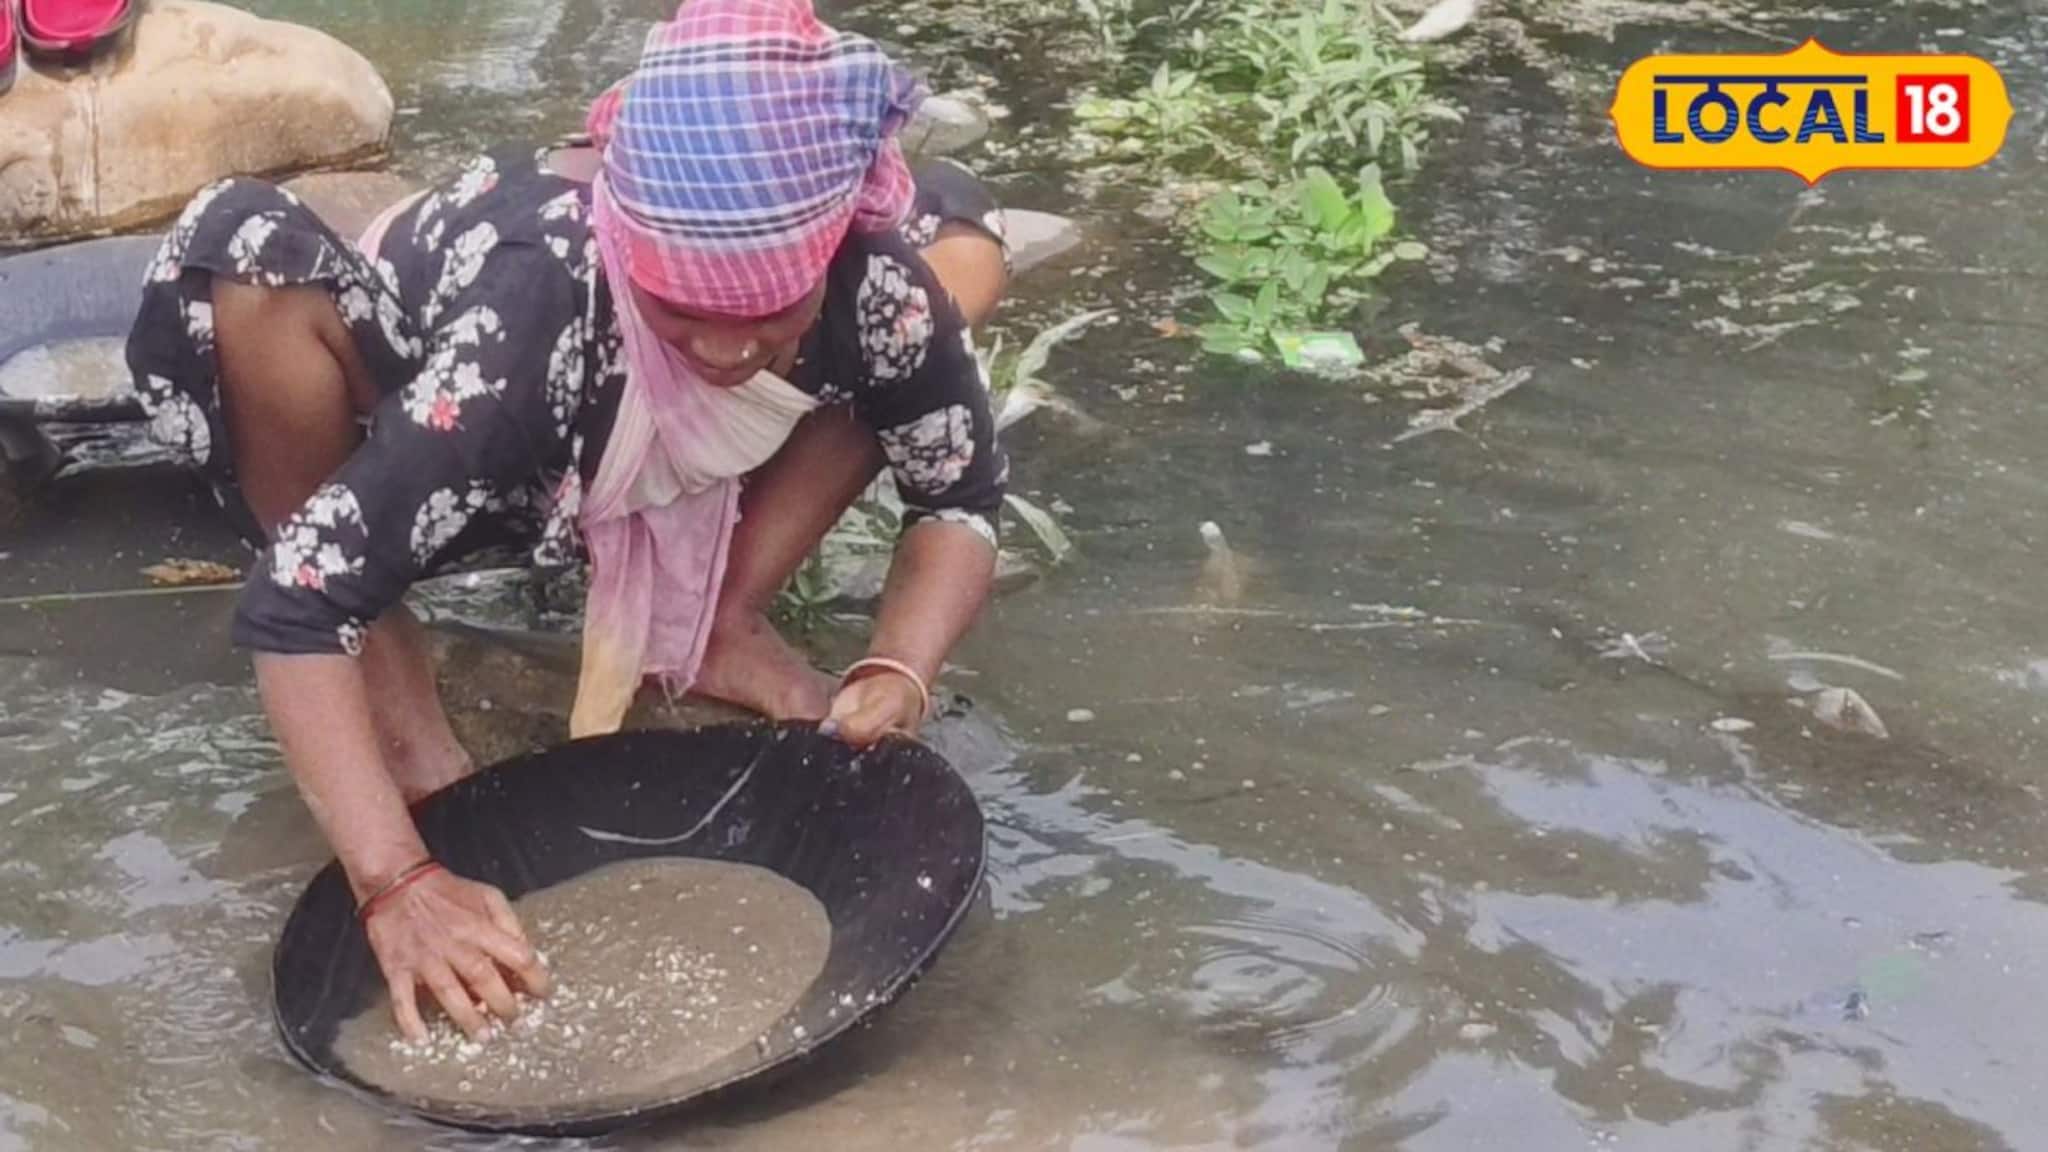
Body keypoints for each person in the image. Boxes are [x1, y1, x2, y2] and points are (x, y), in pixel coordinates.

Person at [124, 0, 1010, 1043]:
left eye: (764, 314)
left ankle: (716, 617)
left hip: (624, 432)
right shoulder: (530, 322)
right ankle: (415, 740)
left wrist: (899, 666)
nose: (726, 350)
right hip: (429, 419)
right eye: (685, 313)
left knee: (951, 253)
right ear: (632, 252)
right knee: (246, 249)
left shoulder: (869, 284)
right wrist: (395, 879)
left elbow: (957, 498)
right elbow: (296, 603)